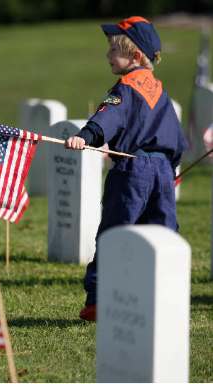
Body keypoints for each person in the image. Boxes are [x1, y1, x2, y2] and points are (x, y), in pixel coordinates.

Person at [65, 16, 188, 321]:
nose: (107, 55)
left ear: (134, 56)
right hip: (162, 172)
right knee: (163, 233)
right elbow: (177, 139)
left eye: (112, 50)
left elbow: (110, 116)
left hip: (133, 169)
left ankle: (97, 300)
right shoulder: (160, 90)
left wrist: (85, 136)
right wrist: (169, 170)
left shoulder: (126, 87)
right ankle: (166, 295)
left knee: (115, 233)